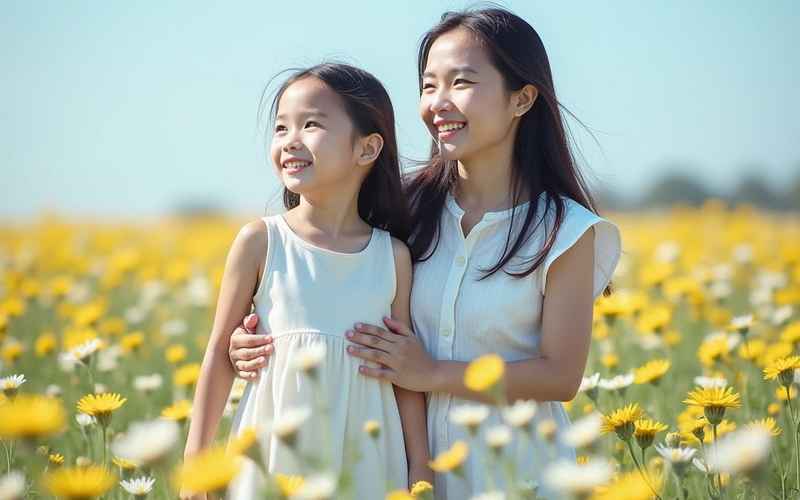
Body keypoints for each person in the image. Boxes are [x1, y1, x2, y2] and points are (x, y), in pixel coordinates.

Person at [229, 8, 621, 498]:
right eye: (429, 85)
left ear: (521, 98)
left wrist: (433, 373)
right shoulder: (402, 211)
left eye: (461, 82)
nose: (438, 103)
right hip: (396, 471)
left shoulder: (566, 230)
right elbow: (324, 285)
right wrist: (255, 340)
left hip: (520, 472)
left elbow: (560, 375)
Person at [182, 63, 432, 499]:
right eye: (280, 128)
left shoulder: (392, 257)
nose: (289, 140)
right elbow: (220, 355)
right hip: (274, 457)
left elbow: (403, 374)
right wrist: (196, 466)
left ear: (367, 148)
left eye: (311, 124)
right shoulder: (261, 241)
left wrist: (420, 471)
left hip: (368, 462)